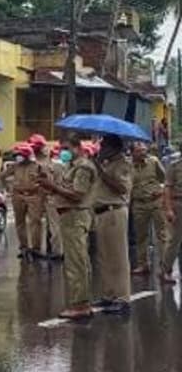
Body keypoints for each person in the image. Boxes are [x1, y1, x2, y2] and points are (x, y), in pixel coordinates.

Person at [39, 140, 98, 319]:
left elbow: (77, 195)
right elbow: (66, 190)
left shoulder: (83, 168)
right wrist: (49, 185)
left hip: (76, 215)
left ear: (79, 148)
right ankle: (81, 302)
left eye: (68, 148)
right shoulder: (71, 167)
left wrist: (53, 187)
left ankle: (80, 304)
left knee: (76, 262)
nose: (65, 152)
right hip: (69, 215)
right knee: (76, 260)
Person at [90, 134, 133, 315]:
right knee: (104, 257)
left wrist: (101, 172)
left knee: (118, 257)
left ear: (114, 147)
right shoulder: (106, 163)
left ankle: (122, 297)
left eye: (104, 145)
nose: (101, 148)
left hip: (114, 211)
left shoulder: (123, 164)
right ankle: (108, 295)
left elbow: (122, 188)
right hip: (101, 213)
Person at [129, 141, 168, 276]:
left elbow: (165, 179)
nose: (143, 153)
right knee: (141, 236)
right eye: (139, 151)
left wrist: (161, 190)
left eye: (144, 150)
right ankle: (142, 264)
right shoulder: (128, 166)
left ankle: (164, 267)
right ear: (133, 153)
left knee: (162, 235)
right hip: (139, 204)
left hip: (156, 201)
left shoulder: (153, 161)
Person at [3, 143, 43, 259]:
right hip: (18, 196)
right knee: (20, 222)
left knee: (35, 222)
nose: (18, 157)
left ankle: (36, 248)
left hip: (34, 196)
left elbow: (45, 180)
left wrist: (40, 193)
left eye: (20, 154)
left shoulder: (37, 166)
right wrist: (8, 188)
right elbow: (2, 176)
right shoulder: (15, 166)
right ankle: (24, 247)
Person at [35, 140, 64, 261]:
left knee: (54, 226)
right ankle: (55, 249)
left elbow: (47, 185)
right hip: (56, 197)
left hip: (52, 198)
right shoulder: (58, 164)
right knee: (54, 225)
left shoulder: (44, 166)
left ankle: (58, 252)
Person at [162, 142, 181, 285]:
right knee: (174, 240)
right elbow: (167, 188)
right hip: (177, 204)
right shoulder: (174, 166)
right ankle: (165, 271)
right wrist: (168, 209)